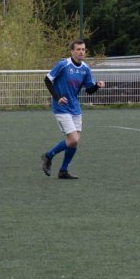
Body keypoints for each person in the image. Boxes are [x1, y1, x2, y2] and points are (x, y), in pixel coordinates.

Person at [41, 40, 105, 179]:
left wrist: (97, 86)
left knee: (74, 142)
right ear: (72, 51)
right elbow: (47, 80)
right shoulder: (63, 64)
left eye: (83, 49)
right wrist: (57, 97)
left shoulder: (85, 68)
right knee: (73, 139)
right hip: (61, 107)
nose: (81, 51)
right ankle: (48, 155)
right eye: (78, 49)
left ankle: (63, 170)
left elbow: (89, 90)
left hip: (75, 108)